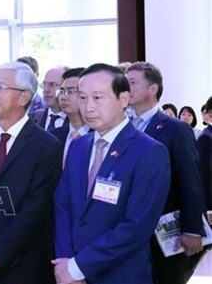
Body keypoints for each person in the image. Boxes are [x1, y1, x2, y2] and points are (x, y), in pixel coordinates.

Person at [53, 63, 171, 284]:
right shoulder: (79, 147)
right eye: (83, 97)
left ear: (124, 99)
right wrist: (66, 262)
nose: (88, 107)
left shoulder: (149, 151)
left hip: (120, 274)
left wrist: (79, 266)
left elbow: (136, 226)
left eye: (98, 98)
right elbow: (63, 204)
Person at [0, 61, 62, 284]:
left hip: (22, 266)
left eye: (1, 88)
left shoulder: (46, 146)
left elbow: (34, 211)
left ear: (24, 97)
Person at [126, 62, 206, 284]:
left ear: (152, 89)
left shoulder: (175, 128)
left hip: (164, 228)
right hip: (130, 228)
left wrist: (192, 229)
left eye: (132, 83)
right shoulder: (124, 125)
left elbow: (190, 179)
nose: (125, 87)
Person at [49, 67, 92, 167]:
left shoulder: (99, 136)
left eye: (71, 91)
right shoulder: (53, 138)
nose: (63, 97)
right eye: (62, 91)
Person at [30, 66, 69, 131]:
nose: (46, 90)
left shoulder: (79, 123)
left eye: (52, 84)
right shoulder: (31, 119)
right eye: (44, 84)